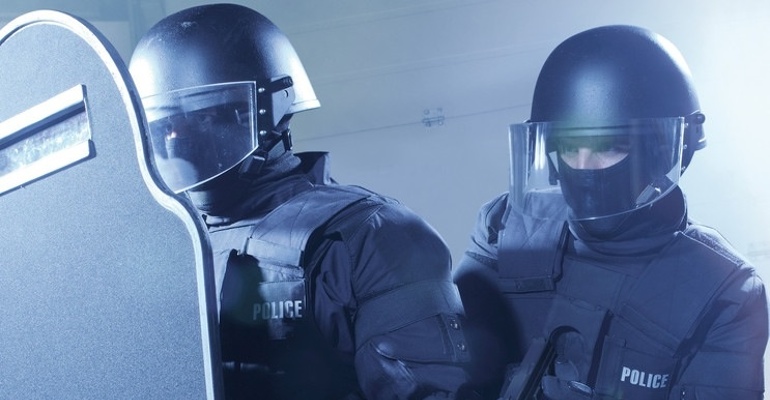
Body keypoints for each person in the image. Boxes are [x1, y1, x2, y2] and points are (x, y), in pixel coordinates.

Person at [128, 4, 471, 399]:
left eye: (204, 118)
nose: (178, 139)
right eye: (166, 126)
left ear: (266, 113)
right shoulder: (162, 245)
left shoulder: (370, 237)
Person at [453, 25, 768, 399]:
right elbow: (451, 368)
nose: (584, 167)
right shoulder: (506, 226)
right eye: (570, 148)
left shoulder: (723, 288)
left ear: (659, 154)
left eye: (608, 148)